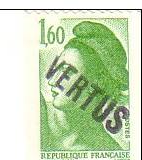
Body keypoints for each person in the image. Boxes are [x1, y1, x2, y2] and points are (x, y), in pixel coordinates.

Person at [40, 21, 130, 152]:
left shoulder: (107, 149)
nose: (53, 81)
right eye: (57, 68)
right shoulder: (37, 113)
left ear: (98, 84)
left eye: (67, 73)